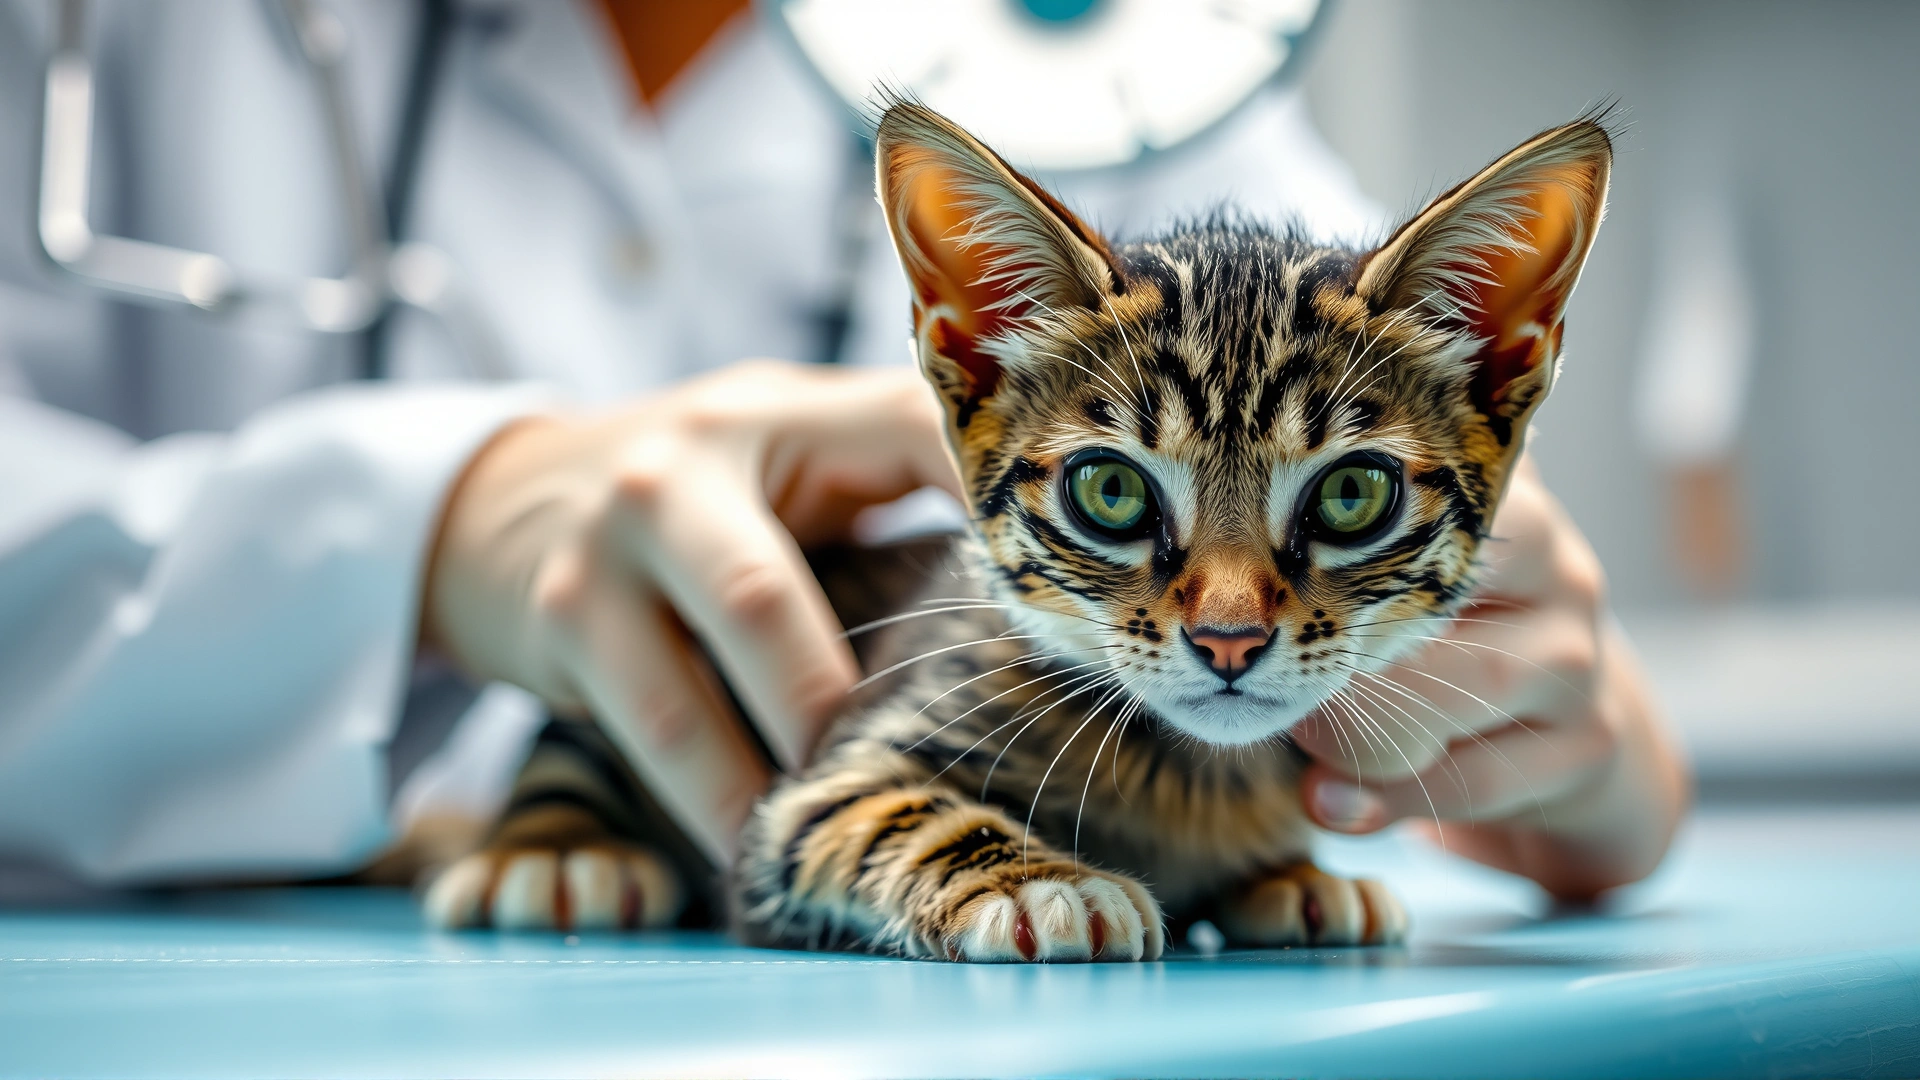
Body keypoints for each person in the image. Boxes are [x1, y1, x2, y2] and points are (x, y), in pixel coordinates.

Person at [0, 0, 1686, 902]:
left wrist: (1579, 739)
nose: (1233, 614)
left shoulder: (1124, 48)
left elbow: (1432, 457)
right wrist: (422, 527)